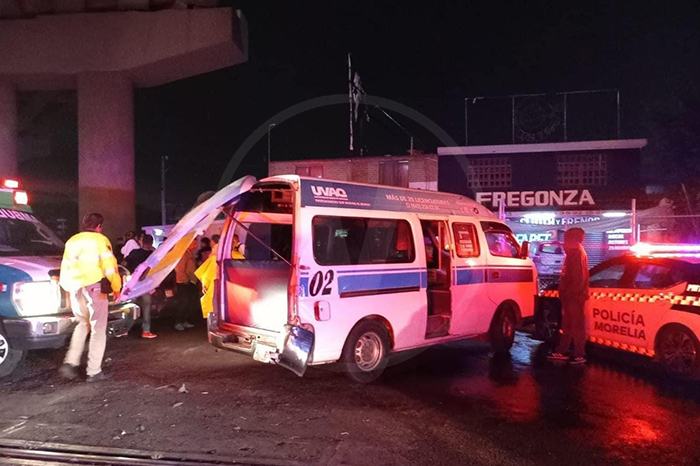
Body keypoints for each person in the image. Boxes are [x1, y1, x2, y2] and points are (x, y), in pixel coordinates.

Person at [58, 213, 121, 382]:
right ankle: (93, 371)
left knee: (82, 324)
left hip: (75, 288)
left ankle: (70, 362)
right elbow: (109, 267)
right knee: (98, 329)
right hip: (95, 287)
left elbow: (65, 266)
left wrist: (68, 287)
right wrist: (116, 287)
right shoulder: (100, 240)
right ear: (99, 226)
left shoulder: (72, 241)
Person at [548, 227, 590, 365]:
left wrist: (569, 293)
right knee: (569, 325)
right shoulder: (575, 251)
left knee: (575, 325)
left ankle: (579, 354)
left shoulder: (576, 252)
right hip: (572, 295)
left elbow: (577, 277)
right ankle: (563, 350)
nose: (564, 241)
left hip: (574, 296)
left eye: (566, 238)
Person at [125, 234, 157, 338]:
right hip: (146, 284)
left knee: (130, 306)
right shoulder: (152, 256)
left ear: (141, 242)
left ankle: (125, 329)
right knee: (146, 307)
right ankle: (146, 331)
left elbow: (125, 263)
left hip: (133, 283)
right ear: (151, 243)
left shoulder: (134, 253)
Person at [174, 240, 200, 331]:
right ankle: (178, 322)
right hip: (183, 282)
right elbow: (179, 269)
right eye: (194, 243)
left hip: (189, 281)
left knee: (188, 302)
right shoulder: (184, 254)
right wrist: (185, 279)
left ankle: (184, 320)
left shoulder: (189, 253)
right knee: (183, 302)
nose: (195, 246)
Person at [195, 234, 219, 318]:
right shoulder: (225, 251)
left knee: (212, 303)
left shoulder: (214, 255)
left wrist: (204, 284)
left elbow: (208, 272)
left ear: (212, 241)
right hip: (221, 282)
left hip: (212, 280)